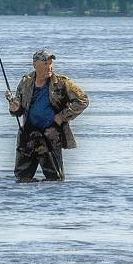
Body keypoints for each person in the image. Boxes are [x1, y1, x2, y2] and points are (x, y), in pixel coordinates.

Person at [6, 49, 89, 182]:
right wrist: (15, 108)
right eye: (45, 63)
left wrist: (62, 116)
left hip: (51, 135)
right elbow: (18, 109)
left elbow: (83, 100)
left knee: (55, 179)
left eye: (50, 63)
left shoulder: (62, 83)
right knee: (22, 179)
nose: (49, 66)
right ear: (35, 65)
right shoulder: (25, 82)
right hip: (28, 135)